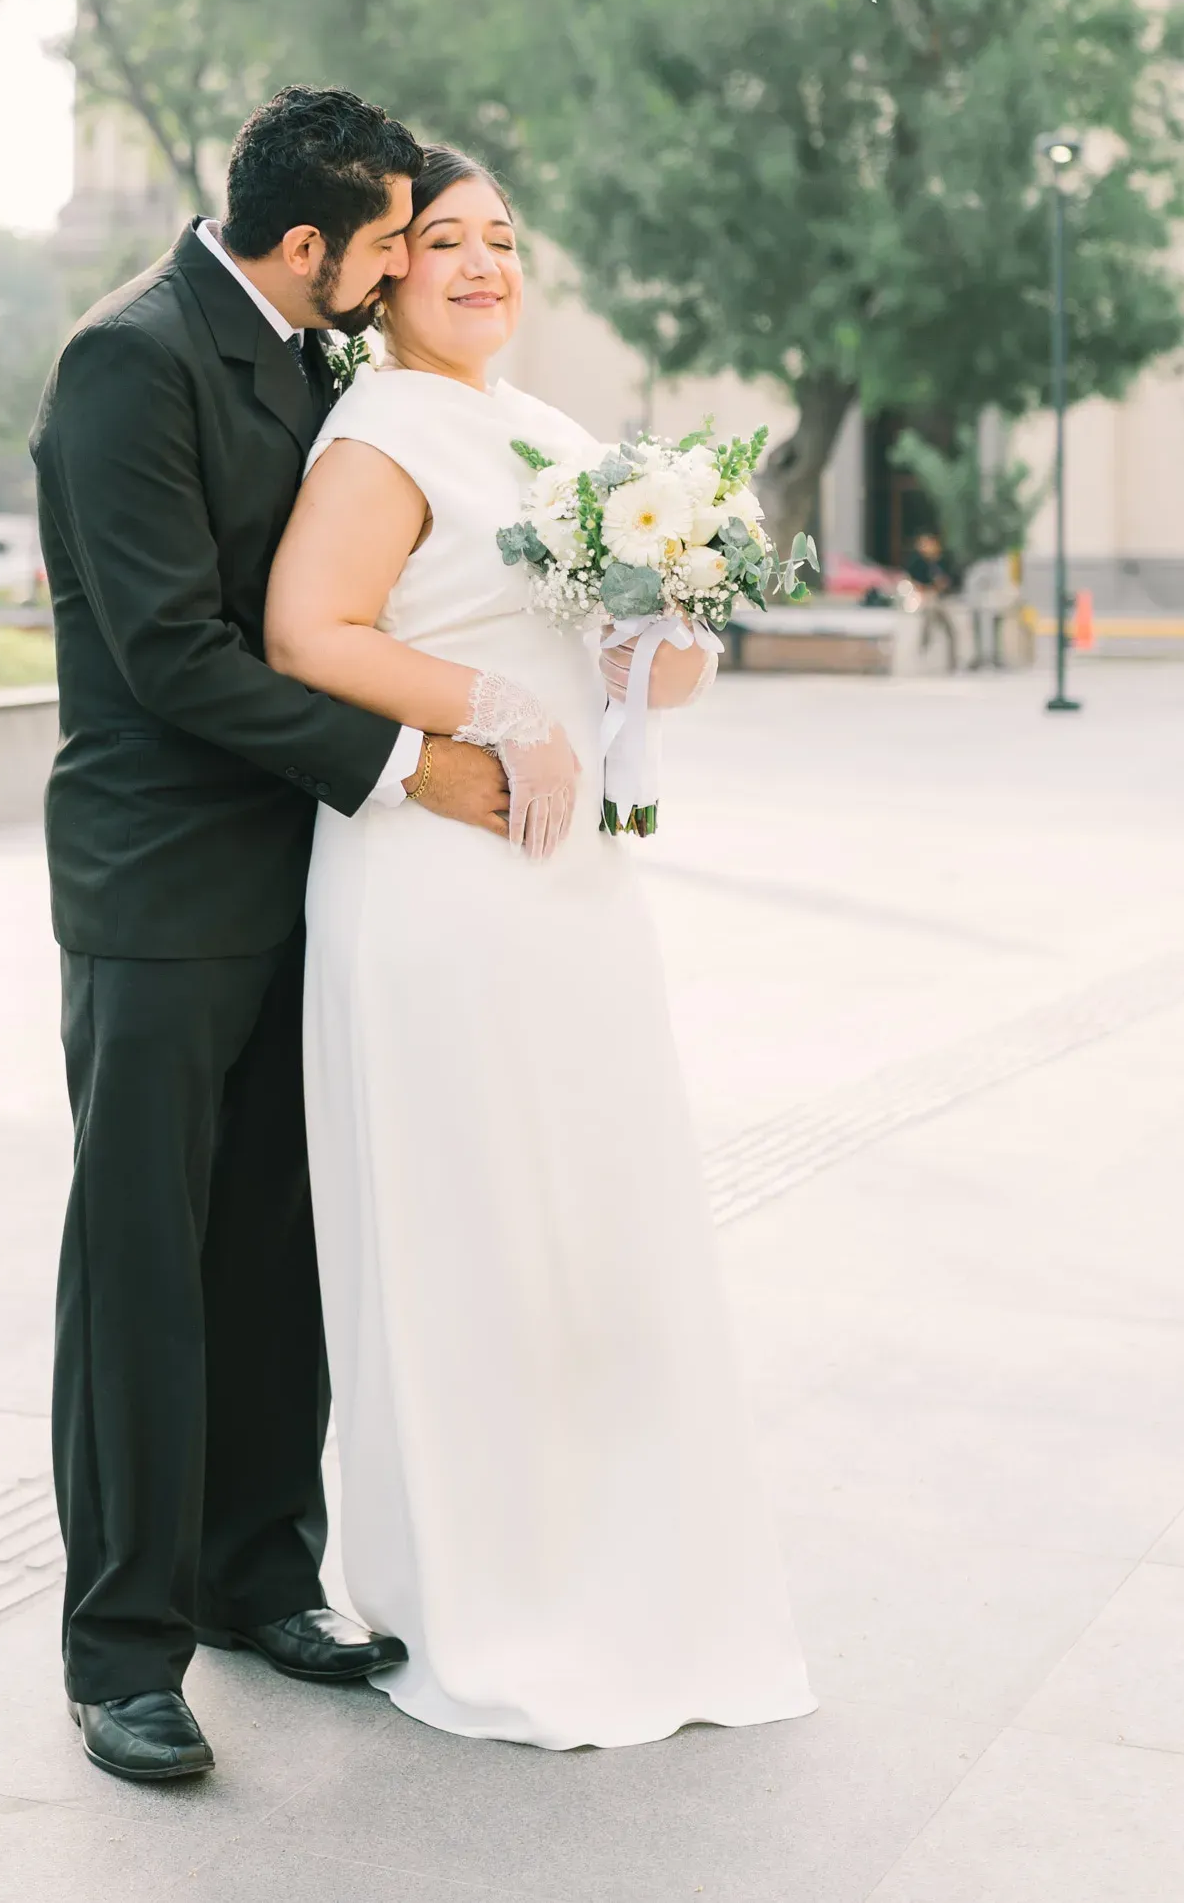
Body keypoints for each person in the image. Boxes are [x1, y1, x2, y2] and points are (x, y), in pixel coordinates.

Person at [266, 148, 815, 1750]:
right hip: (437, 880)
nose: (485, 264)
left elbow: (638, 684)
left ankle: (619, 1571)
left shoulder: (560, 435)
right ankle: (486, 1592)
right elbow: (314, 633)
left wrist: (670, 624)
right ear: (382, 271)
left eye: (504, 238)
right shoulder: (378, 431)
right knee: (475, 1232)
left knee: (592, 1231)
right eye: (444, 240)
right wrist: (494, 703)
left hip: (571, 891)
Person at [29, 87, 512, 1785]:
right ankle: (123, 1651)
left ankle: (253, 1577)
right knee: (142, 1267)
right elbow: (169, 651)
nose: (399, 271)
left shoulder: (317, 359)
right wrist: (406, 764)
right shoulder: (127, 360)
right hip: (159, 887)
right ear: (306, 243)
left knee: (269, 1250)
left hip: (300, 876)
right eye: (387, 241)